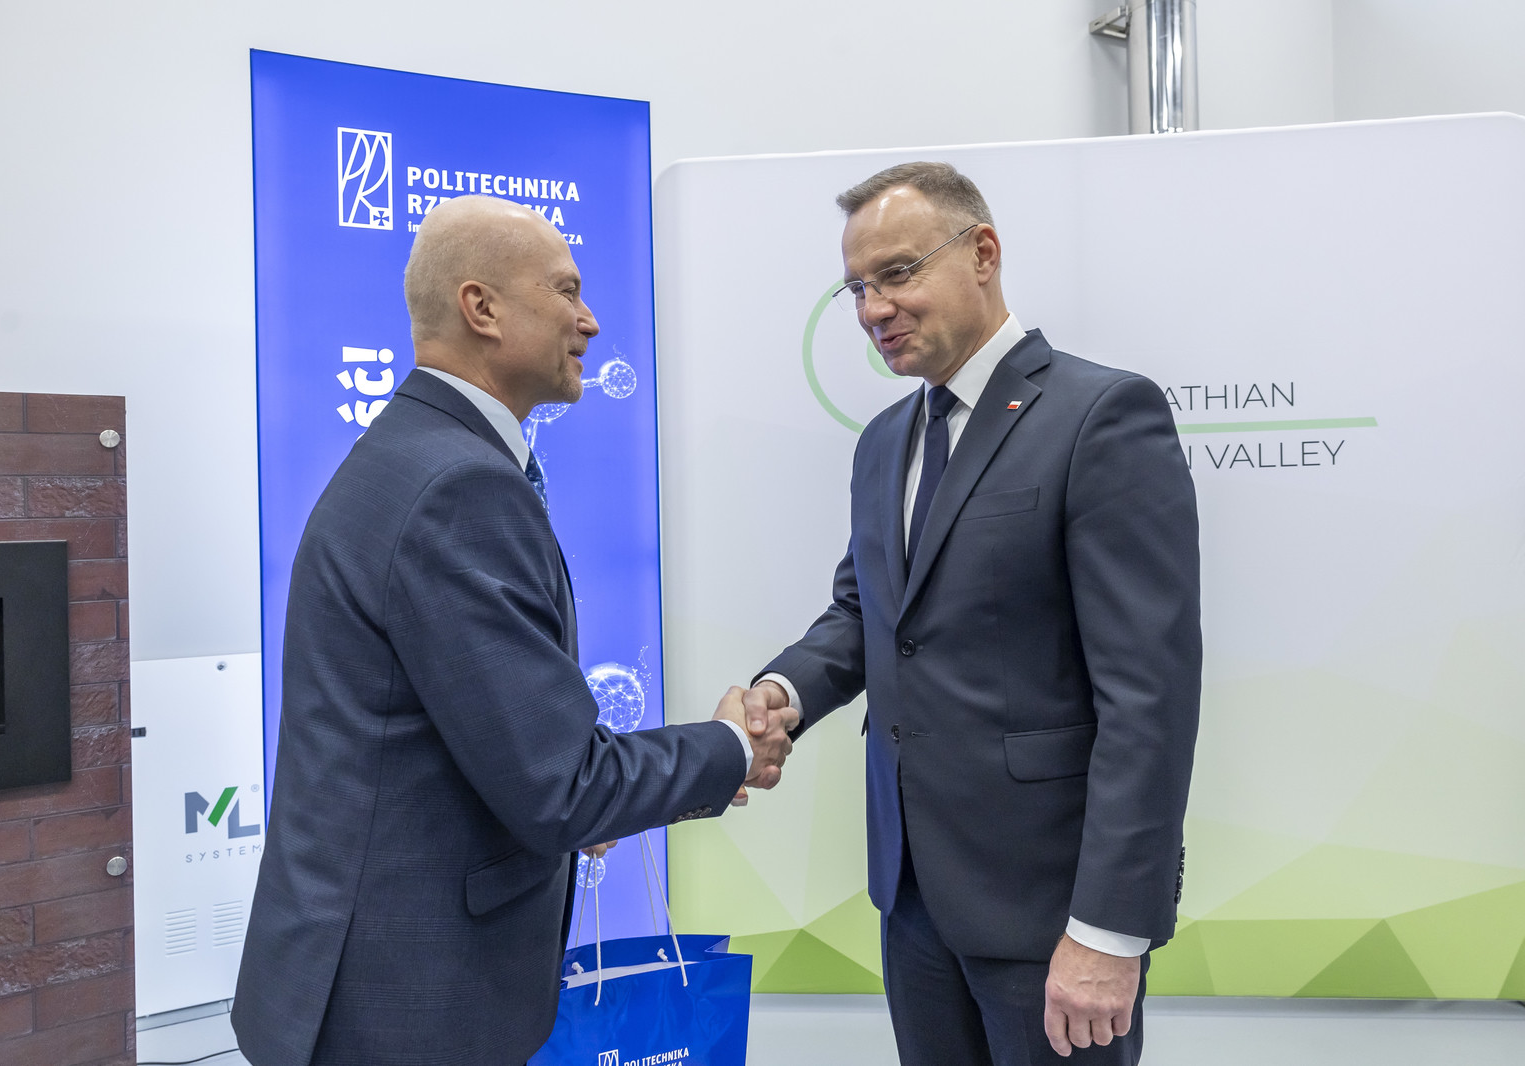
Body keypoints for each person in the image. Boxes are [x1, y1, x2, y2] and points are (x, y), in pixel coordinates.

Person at [232, 195, 791, 1066]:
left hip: (364, 985)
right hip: (403, 1009)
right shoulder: (459, 488)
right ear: (481, 308)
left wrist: (575, 795)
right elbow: (560, 786)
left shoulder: (417, 455)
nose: (590, 320)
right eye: (566, 291)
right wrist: (730, 747)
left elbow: (489, 746)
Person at [739, 161, 1200, 1064]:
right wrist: (779, 693)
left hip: (1053, 919)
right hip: (913, 901)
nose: (873, 309)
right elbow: (865, 614)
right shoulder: (884, 442)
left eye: (897, 273)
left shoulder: (1102, 415)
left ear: (982, 253)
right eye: (857, 288)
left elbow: (1150, 699)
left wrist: (1110, 931)